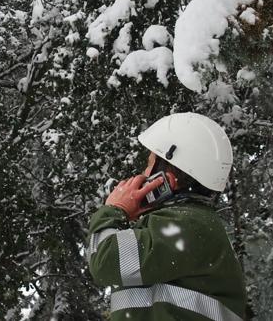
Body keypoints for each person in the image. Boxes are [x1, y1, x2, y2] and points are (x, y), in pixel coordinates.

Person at [87, 113, 248, 320]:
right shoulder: (184, 226)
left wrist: (114, 209)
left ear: (166, 180)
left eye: (148, 164)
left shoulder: (190, 225)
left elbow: (105, 260)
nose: (143, 174)